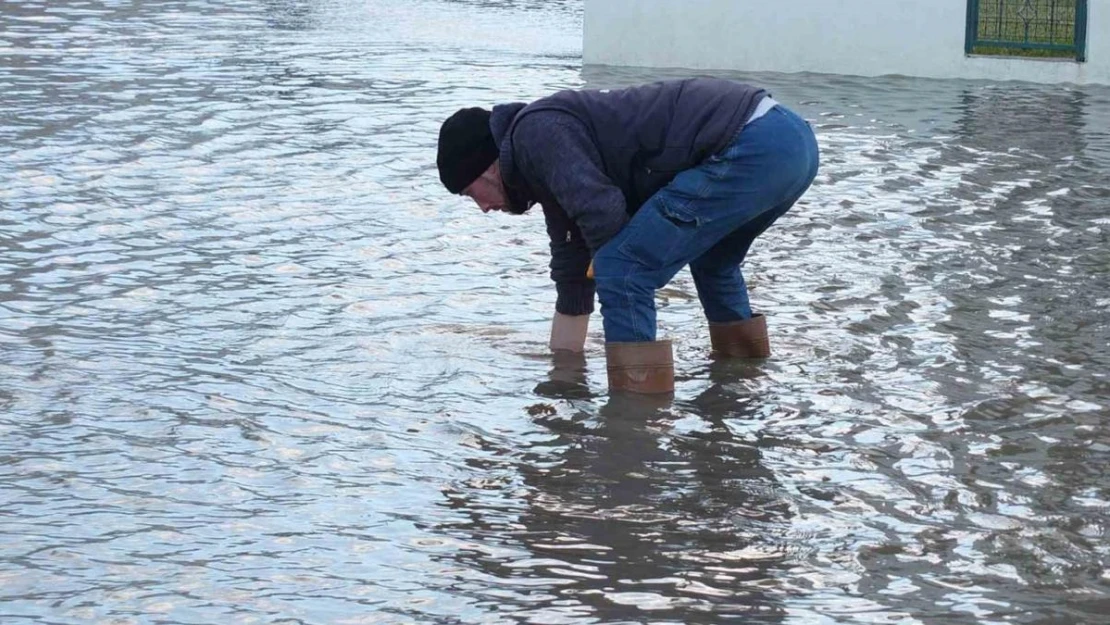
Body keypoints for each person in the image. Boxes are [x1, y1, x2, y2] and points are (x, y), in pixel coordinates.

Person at [436, 77, 819, 394]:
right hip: (792, 141)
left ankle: (633, 423)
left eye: (471, 194)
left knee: (621, 265)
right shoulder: (540, 152)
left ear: (487, 168)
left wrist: (620, 277)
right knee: (714, 262)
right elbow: (572, 264)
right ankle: (744, 379)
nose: (483, 208)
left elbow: (603, 216)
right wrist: (564, 373)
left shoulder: (536, 135)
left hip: (753, 144)